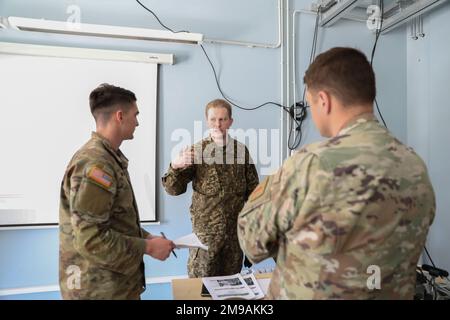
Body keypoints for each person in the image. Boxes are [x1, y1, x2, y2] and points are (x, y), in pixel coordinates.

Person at [237, 47, 436, 299]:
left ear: (324, 100)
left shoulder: (309, 165)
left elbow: (252, 242)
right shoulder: (415, 167)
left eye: (310, 104)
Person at [59, 83, 175, 300]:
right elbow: (91, 238)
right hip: (100, 291)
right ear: (120, 116)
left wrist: (147, 236)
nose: (138, 122)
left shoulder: (107, 158)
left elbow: (114, 220)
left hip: (115, 286)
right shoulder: (96, 164)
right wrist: (148, 247)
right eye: (135, 114)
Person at [162, 99, 259, 277]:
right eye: (213, 119)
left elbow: (254, 194)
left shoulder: (241, 151)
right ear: (207, 121)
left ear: (230, 121)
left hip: (233, 241)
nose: (218, 124)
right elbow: (173, 190)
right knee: (200, 294)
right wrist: (175, 167)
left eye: (223, 119)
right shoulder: (196, 151)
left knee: (231, 293)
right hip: (205, 241)